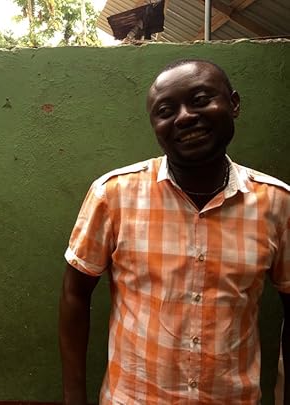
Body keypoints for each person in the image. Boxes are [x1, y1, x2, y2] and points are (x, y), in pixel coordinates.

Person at [59, 59, 289, 404]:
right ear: (155, 125)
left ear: (234, 104)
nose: (183, 117)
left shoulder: (278, 204)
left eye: (200, 100)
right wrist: (73, 397)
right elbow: (74, 294)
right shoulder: (113, 195)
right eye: (166, 110)